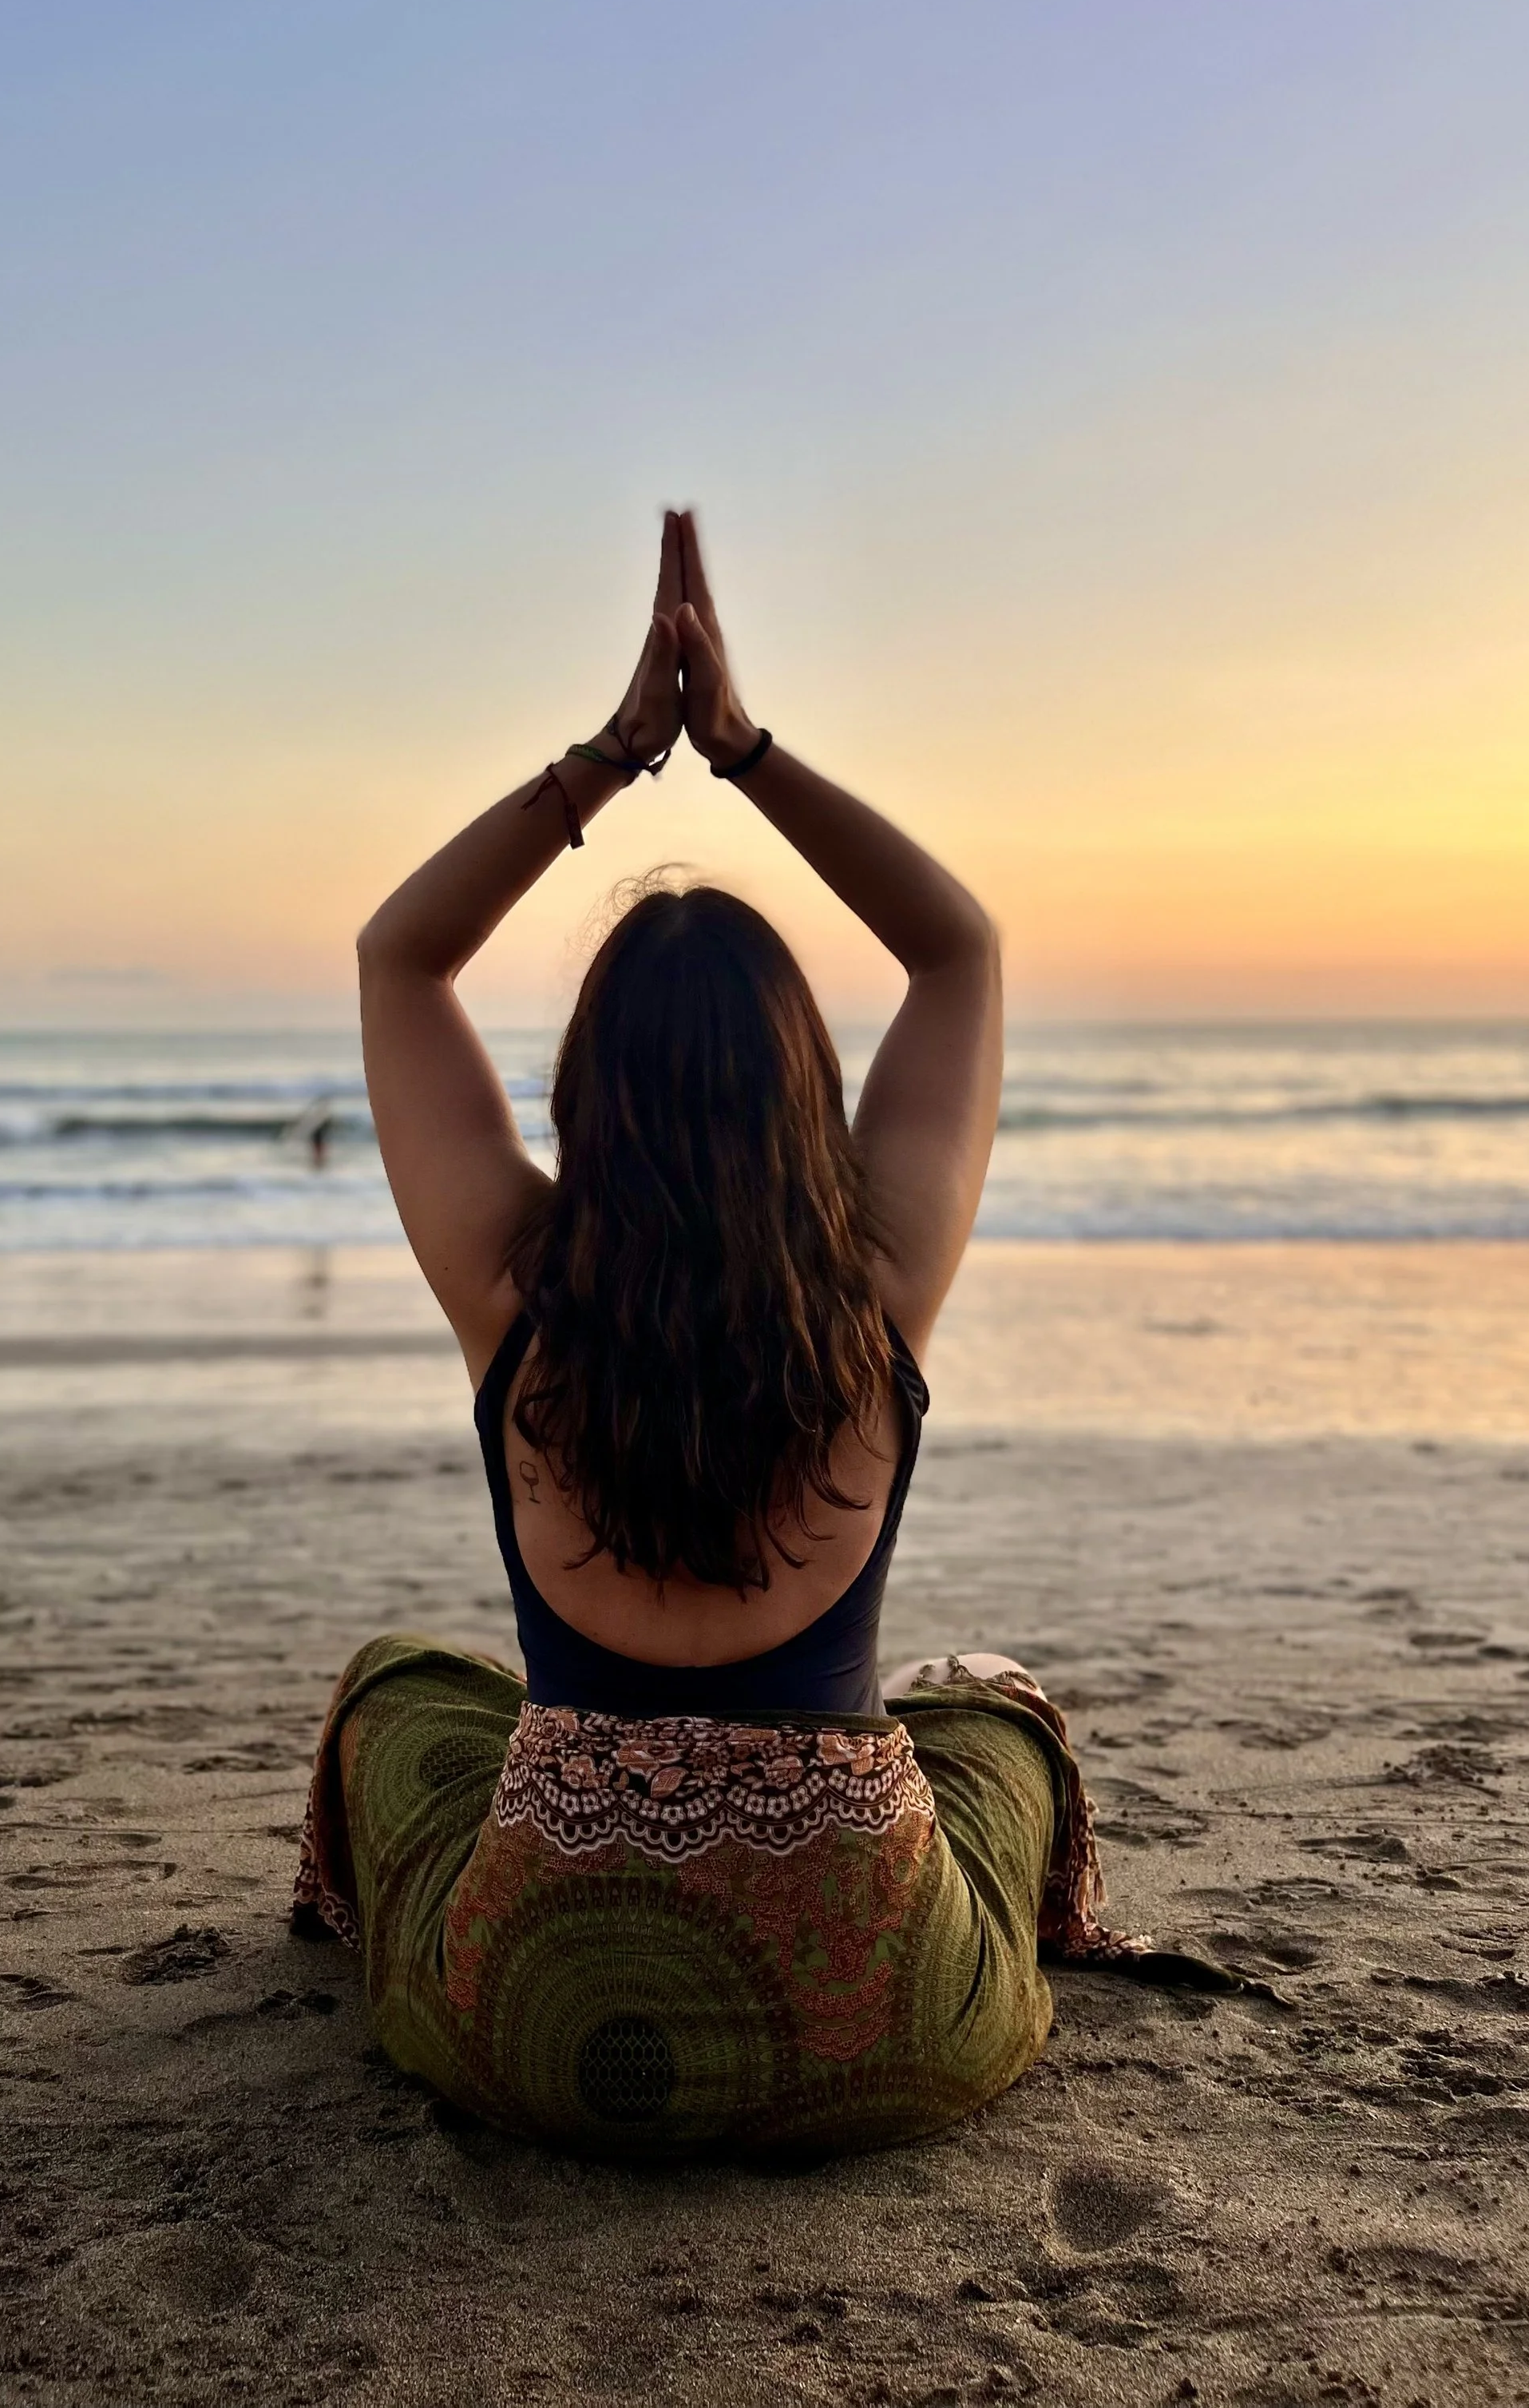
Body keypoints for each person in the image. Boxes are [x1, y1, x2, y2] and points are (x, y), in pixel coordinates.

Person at [291, 510, 1148, 2157]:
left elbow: (397, 956)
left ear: (584, 1096)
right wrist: (740, 752)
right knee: (987, 1711)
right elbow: (957, 947)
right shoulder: (877, 1288)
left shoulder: (510, 1291)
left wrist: (611, 760)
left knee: (403, 1693)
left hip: (535, 2019)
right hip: (883, 2022)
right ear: (803, 1091)